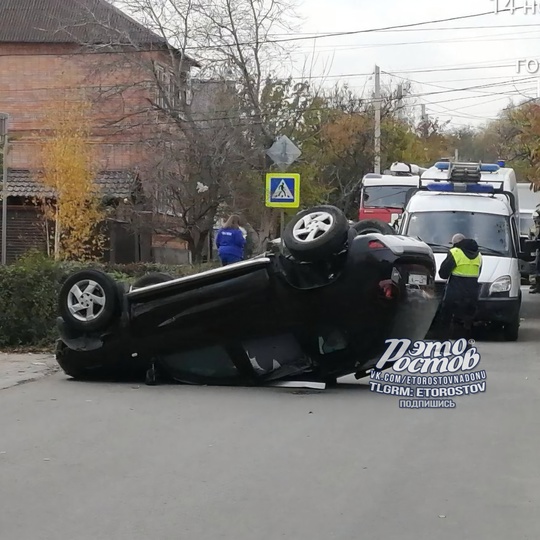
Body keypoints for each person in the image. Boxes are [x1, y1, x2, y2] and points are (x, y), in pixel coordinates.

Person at [437, 233, 482, 340]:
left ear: (456, 243)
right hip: (472, 293)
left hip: (455, 293)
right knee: (467, 321)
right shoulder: (479, 255)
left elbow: (443, 273)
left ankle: (443, 344)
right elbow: (478, 272)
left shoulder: (455, 253)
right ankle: (465, 344)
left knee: (446, 319)